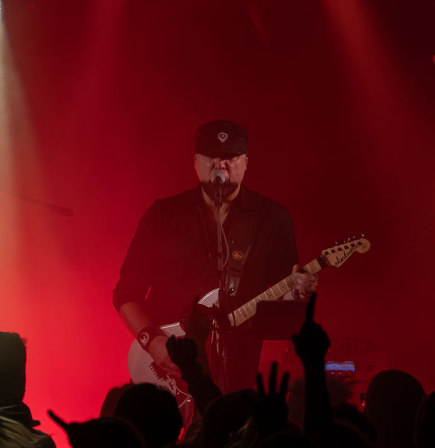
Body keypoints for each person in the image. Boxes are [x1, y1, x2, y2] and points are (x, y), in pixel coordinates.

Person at [113, 120, 316, 393]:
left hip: (237, 371)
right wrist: (152, 341)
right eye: (212, 158)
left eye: (231, 158)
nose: (221, 166)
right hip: (165, 368)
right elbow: (126, 293)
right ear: (196, 162)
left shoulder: (272, 218)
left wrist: (297, 296)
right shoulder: (163, 215)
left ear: (245, 162)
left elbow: (282, 300)